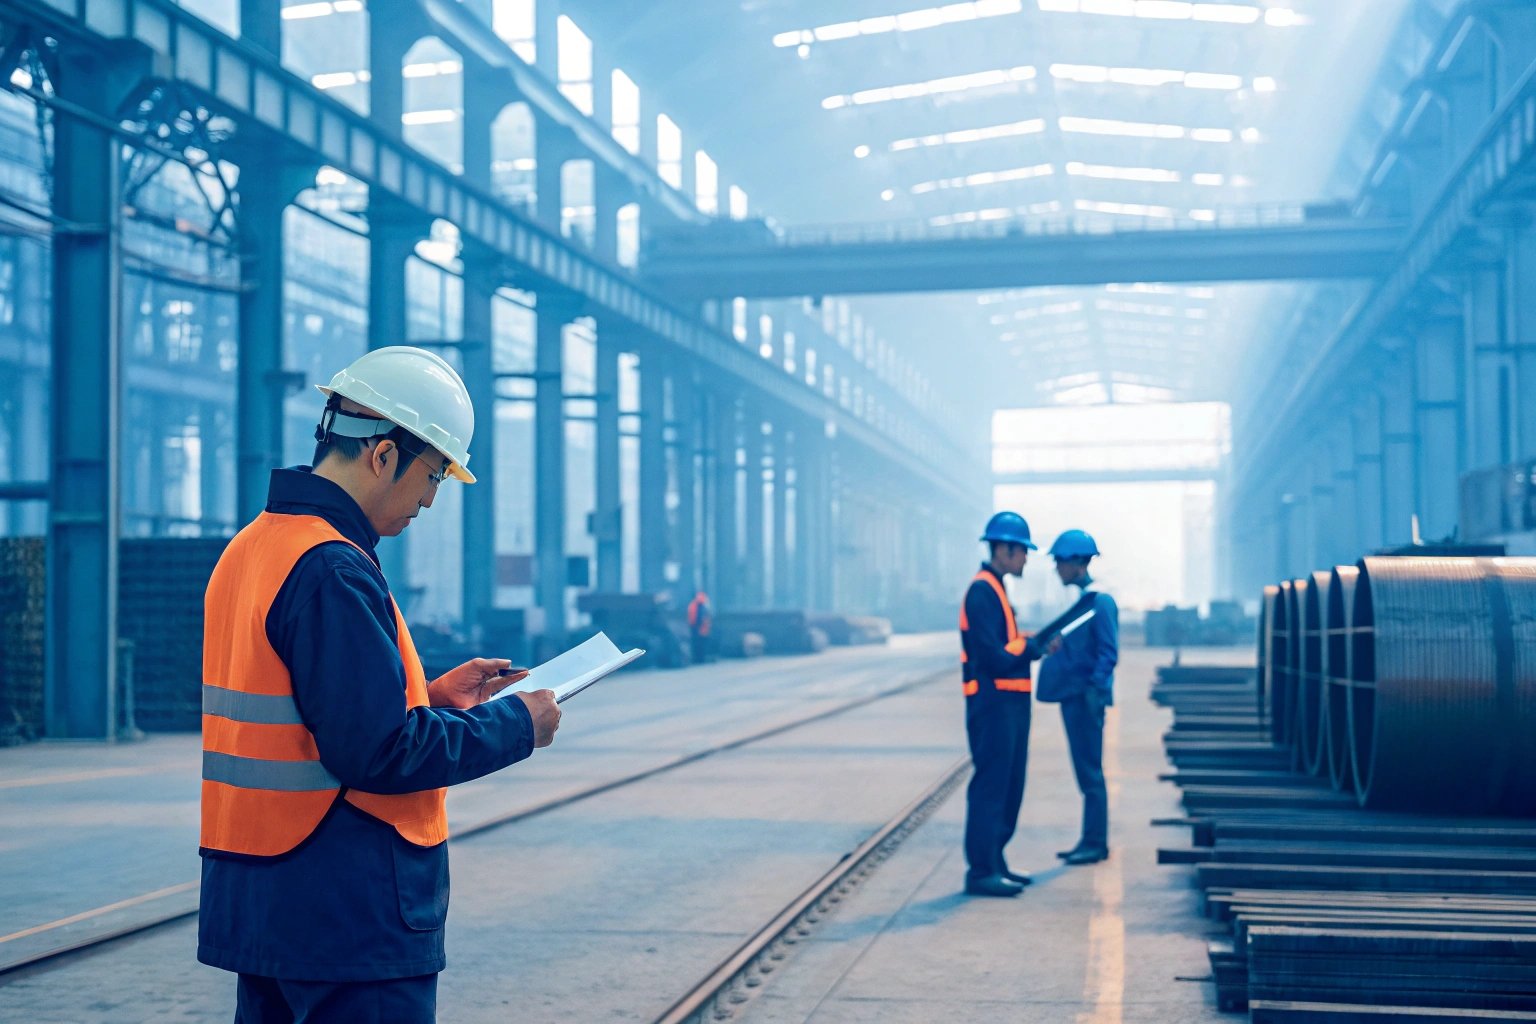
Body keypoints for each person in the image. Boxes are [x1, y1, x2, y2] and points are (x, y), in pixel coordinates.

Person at [197, 346, 562, 1023]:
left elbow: (309, 711)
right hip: (345, 908)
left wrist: (431, 697)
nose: (428, 499)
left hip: (264, 900)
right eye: (432, 475)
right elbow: (379, 752)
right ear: (383, 455)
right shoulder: (332, 567)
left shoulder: (254, 547)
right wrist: (518, 726)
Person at [959, 511, 1048, 897]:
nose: (1026, 558)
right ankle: (981, 871)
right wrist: (1030, 647)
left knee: (1010, 786)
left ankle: (996, 862)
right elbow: (993, 656)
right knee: (992, 787)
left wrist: (1030, 642)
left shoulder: (996, 588)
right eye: (1022, 551)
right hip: (992, 705)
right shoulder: (982, 591)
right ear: (1004, 549)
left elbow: (1004, 644)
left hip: (1009, 704)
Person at [1036, 529, 1119, 865]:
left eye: (1060, 562)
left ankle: (1095, 843)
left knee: (1090, 772)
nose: (1057, 568)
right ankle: (1089, 840)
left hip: (1085, 697)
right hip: (1075, 695)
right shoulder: (1081, 602)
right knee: (1084, 771)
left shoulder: (1100, 602)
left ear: (1078, 563)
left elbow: (1108, 652)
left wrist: (1093, 689)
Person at [687, 589, 714, 664]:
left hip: (694, 628)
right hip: (701, 629)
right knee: (701, 646)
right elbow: (704, 618)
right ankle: (700, 659)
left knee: (696, 645)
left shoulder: (692, 605)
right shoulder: (702, 607)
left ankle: (697, 659)